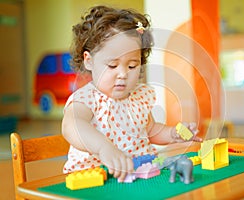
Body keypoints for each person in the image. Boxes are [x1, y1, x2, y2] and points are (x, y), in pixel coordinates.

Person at [62, 5, 201, 182]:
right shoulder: (88, 99)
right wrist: (104, 148)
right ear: (89, 61)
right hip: (97, 180)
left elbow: (151, 131)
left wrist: (173, 133)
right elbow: (72, 125)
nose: (123, 74)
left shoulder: (139, 97)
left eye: (132, 66)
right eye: (112, 65)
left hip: (139, 175)